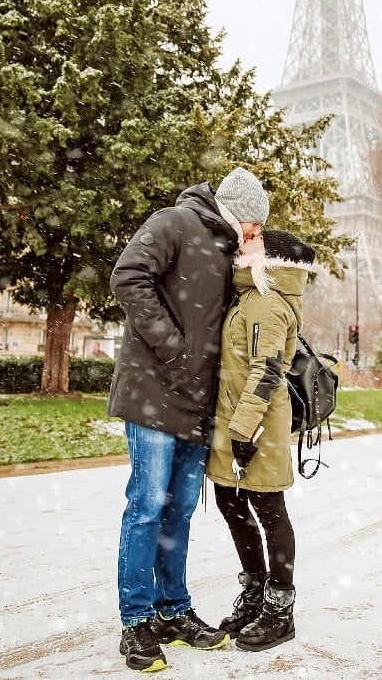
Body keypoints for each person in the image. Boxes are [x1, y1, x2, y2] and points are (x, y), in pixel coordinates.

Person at [107, 168, 269, 672]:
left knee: (177, 512)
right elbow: (127, 276)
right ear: (236, 211)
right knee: (148, 505)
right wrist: (173, 348)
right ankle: (136, 622)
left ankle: (173, 611)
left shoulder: (231, 251)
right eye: (254, 224)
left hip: (199, 402)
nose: (256, 234)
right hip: (155, 391)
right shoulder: (174, 222)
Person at [207, 229, 316, 652]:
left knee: (269, 508)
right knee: (230, 502)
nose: (240, 245)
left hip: (255, 428)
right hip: (235, 422)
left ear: (268, 258)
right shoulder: (249, 297)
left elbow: (266, 371)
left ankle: (279, 608)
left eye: (250, 243)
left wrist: (243, 431)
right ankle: (254, 593)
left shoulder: (268, 304)